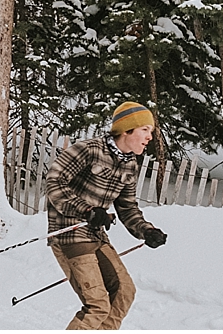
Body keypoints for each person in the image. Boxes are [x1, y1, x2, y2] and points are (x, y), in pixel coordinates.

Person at [44, 101, 167, 330]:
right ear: (126, 129)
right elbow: (54, 181)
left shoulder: (130, 165)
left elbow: (128, 208)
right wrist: (87, 210)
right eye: (145, 130)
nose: (150, 137)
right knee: (98, 304)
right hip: (70, 234)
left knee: (123, 292)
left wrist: (146, 230)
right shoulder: (89, 150)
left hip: (96, 236)